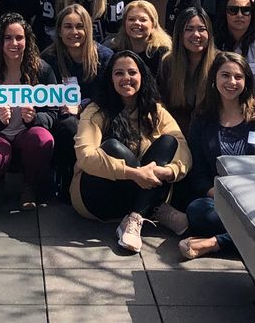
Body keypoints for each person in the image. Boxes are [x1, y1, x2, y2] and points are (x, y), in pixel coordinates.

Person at [70, 51, 191, 253]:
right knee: (112, 148)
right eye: (119, 73)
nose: (126, 78)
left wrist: (169, 172)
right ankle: (154, 210)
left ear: (142, 77)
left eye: (132, 72)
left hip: (137, 193)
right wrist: (134, 173)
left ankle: (135, 218)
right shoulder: (96, 111)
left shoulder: (155, 111)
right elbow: (85, 156)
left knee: (168, 142)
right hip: (98, 197)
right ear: (110, 79)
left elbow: (182, 147)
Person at [179, 51, 255, 260]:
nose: (232, 82)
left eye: (238, 77)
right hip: (221, 200)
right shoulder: (202, 118)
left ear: (247, 81)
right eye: (225, 75)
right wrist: (222, 196)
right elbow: (198, 173)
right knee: (198, 211)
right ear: (214, 79)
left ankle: (216, 243)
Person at [0, 13, 59, 207]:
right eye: (8, 38)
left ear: (27, 40)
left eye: (19, 37)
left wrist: (35, 118)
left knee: (42, 139)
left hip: (26, 133)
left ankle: (29, 185)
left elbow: (53, 113)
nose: (14, 43)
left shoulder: (43, 70)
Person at [42, 4, 115, 197]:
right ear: (59, 30)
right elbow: (43, 93)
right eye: (68, 26)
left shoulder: (104, 57)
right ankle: (67, 181)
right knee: (69, 126)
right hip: (62, 116)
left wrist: (82, 106)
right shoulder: (48, 58)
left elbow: (108, 93)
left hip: (97, 114)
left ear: (88, 29)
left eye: (80, 26)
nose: (74, 32)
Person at [158, 6, 217, 135]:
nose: (196, 35)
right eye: (189, 29)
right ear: (180, 33)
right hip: (176, 131)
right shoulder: (168, 63)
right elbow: (161, 102)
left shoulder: (220, 63)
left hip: (211, 131)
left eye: (202, 29)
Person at [106, 0, 173, 77]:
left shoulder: (164, 56)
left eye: (143, 20)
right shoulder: (114, 53)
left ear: (153, 25)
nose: (137, 23)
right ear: (124, 24)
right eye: (131, 19)